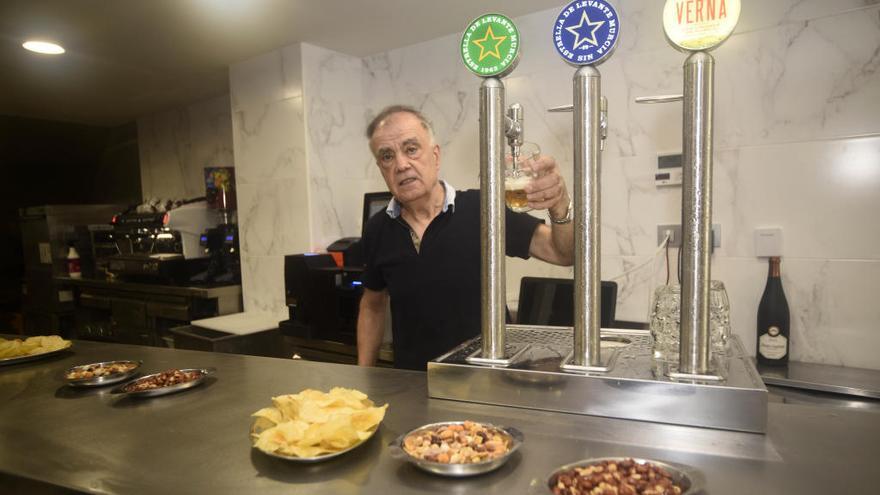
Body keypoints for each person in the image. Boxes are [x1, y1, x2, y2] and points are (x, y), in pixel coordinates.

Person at [357, 105, 574, 370]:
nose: (401, 165)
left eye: (411, 149)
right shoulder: (378, 229)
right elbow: (372, 305)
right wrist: (364, 375)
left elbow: (564, 253)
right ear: (381, 167)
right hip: (415, 385)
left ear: (435, 156)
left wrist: (560, 204)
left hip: (489, 381)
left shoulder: (482, 208)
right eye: (387, 156)